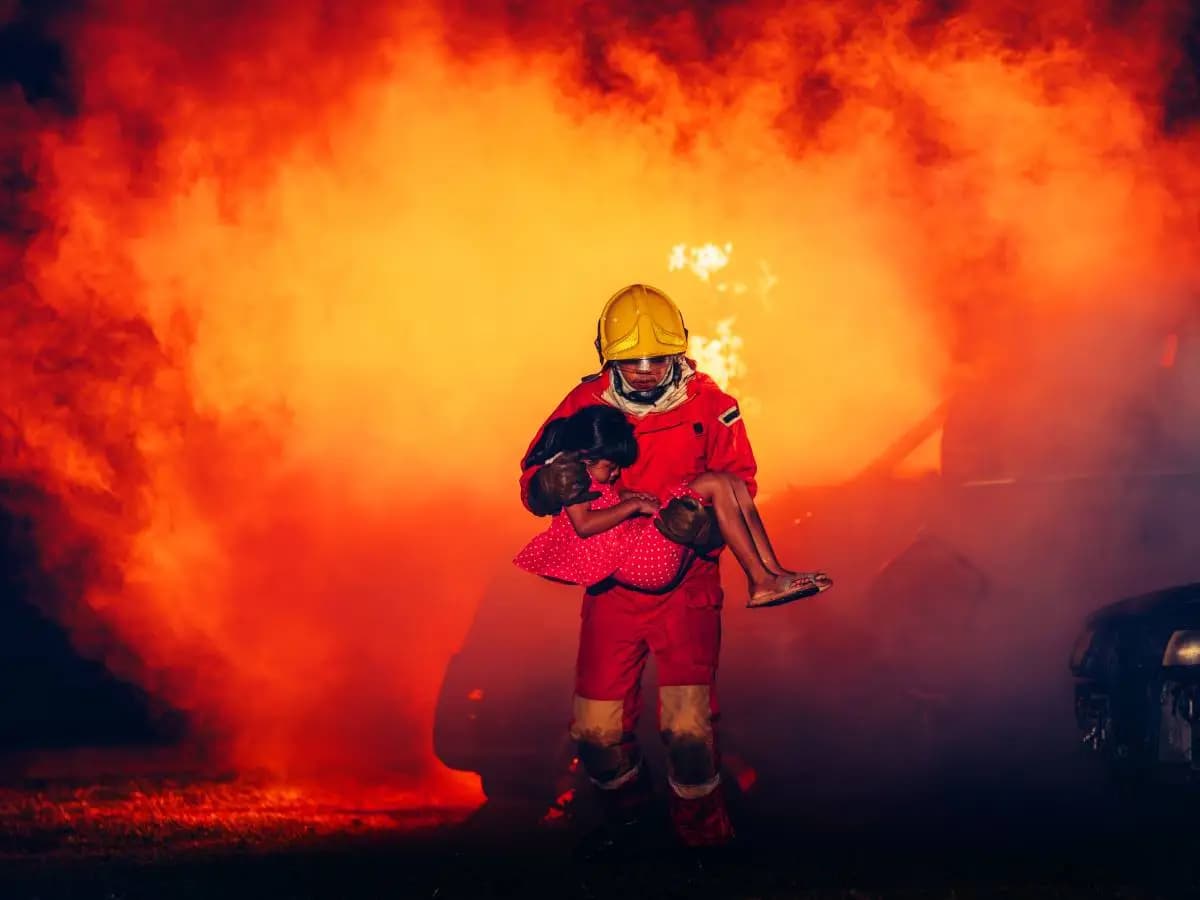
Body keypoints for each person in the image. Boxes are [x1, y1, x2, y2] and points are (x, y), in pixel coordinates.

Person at [517, 283, 822, 848]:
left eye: (658, 357)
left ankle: (703, 843)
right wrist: (545, 487)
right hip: (611, 590)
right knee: (595, 734)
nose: (646, 369)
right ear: (609, 357)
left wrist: (702, 528)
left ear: (679, 352)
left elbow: (740, 484)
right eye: (632, 360)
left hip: (687, 587)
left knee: (687, 730)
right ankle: (631, 826)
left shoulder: (712, 405)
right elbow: (535, 472)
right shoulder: (582, 405)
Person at [514, 404, 831, 607]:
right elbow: (584, 525)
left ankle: (772, 570)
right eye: (610, 467)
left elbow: (603, 501)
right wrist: (633, 506)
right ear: (585, 457)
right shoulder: (571, 478)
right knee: (713, 483)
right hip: (640, 564)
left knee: (730, 481)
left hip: (637, 551)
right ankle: (760, 581)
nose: (615, 474)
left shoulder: (593, 477)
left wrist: (628, 498)